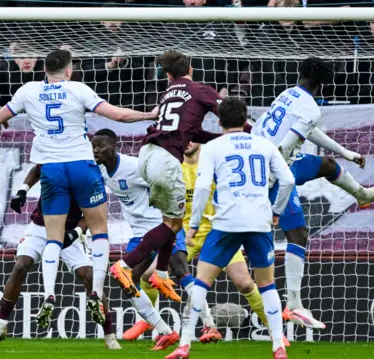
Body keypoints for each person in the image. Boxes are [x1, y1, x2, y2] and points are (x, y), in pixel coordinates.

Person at [0, 49, 156, 331]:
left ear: (44, 70)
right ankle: (96, 288)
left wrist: (1, 120)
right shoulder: (78, 89)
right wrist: (149, 113)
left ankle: (49, 292)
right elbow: (117, 115)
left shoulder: (28, 90)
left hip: (52, 168)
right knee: (99, 229)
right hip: (81, 164)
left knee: (53, 238)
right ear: (69, 70)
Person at [251, 57, 374, 329]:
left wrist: (344, 152)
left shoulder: (289, 94)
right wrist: (278, 182)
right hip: (274, 171)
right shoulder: (310, 107)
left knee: (328, 165)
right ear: (324, 83)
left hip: (268, 159)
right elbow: (283, 149)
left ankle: (362, 195)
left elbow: (308, 130)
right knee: (297, 234)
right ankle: (293, 306)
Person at [166, 97, 294, 359]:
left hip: (226, 223)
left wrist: (191, 227)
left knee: (201, 281)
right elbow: (288, 180)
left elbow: (202, 188)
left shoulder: (214, 146)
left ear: (219, 120)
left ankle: (185, 344)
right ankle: (279, 345)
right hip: (259, 222)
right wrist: (277, 212)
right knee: (267, 284)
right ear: (245, 119)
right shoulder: (264, 144)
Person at [110, 50, 228, 302]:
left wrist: (221, 139)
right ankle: (126, 265)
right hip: (166, 160)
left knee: (170, 220)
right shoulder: (199, 89)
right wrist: (245, 133)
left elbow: (192, 133)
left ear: (167, 74)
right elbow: (227, 112)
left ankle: (161, 273)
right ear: (191, 70)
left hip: (148, 154)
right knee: (173, 224)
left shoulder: (167, 94)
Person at [0, 166, 121, 350]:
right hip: (39, 229)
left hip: (69, 233)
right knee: (20, 265)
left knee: (89, 275)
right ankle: (1, 325)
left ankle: (110, 336)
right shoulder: (55, 158)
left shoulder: (87, 174)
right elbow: (36, 171)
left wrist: (77, 232)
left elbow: (94, 214)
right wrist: (22, 191)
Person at [91, 128, 186, 350]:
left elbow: (166, 184)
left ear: (115, 148)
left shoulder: (134, 167)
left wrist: (171, 220)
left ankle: (206, 325)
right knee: (128, 280)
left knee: (181, 272)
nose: (96, 150)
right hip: (138, 233)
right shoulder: (101, 172)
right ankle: (164, 330)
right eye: (93, 146)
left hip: (159, 227)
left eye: (101, 146)